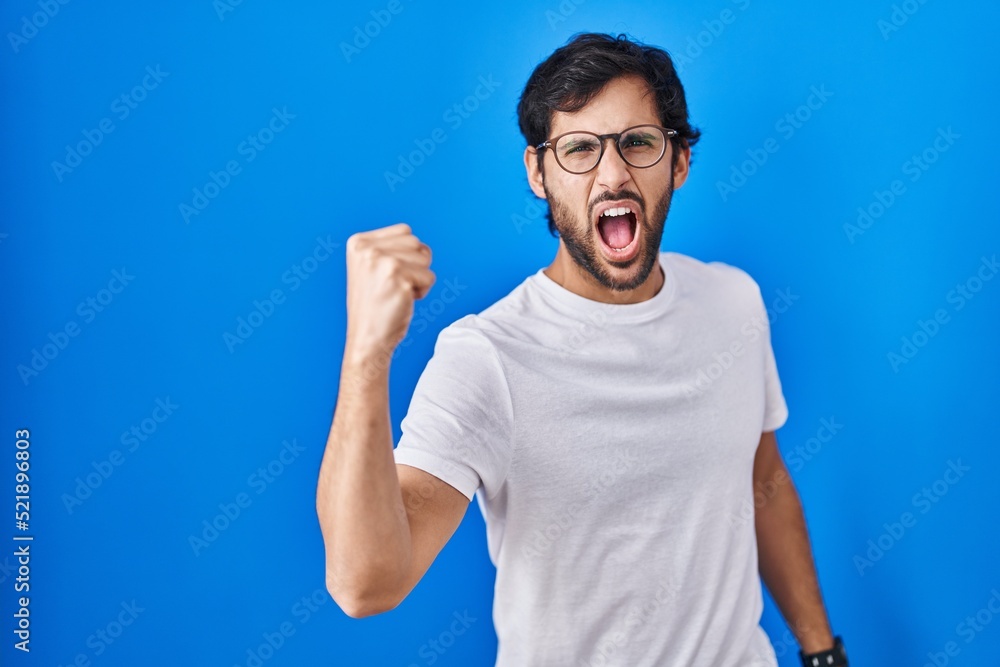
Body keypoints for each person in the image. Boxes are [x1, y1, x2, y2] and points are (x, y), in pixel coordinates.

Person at [316, 32, 848, 667]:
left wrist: (822, 653)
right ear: (538, 173)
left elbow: (762, 480)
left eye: (640, 142)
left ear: (678, 162)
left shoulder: (734, 303)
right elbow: (364, 583)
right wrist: (365, 356)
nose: (614, 173)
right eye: (579, 149)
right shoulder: (486, 358)